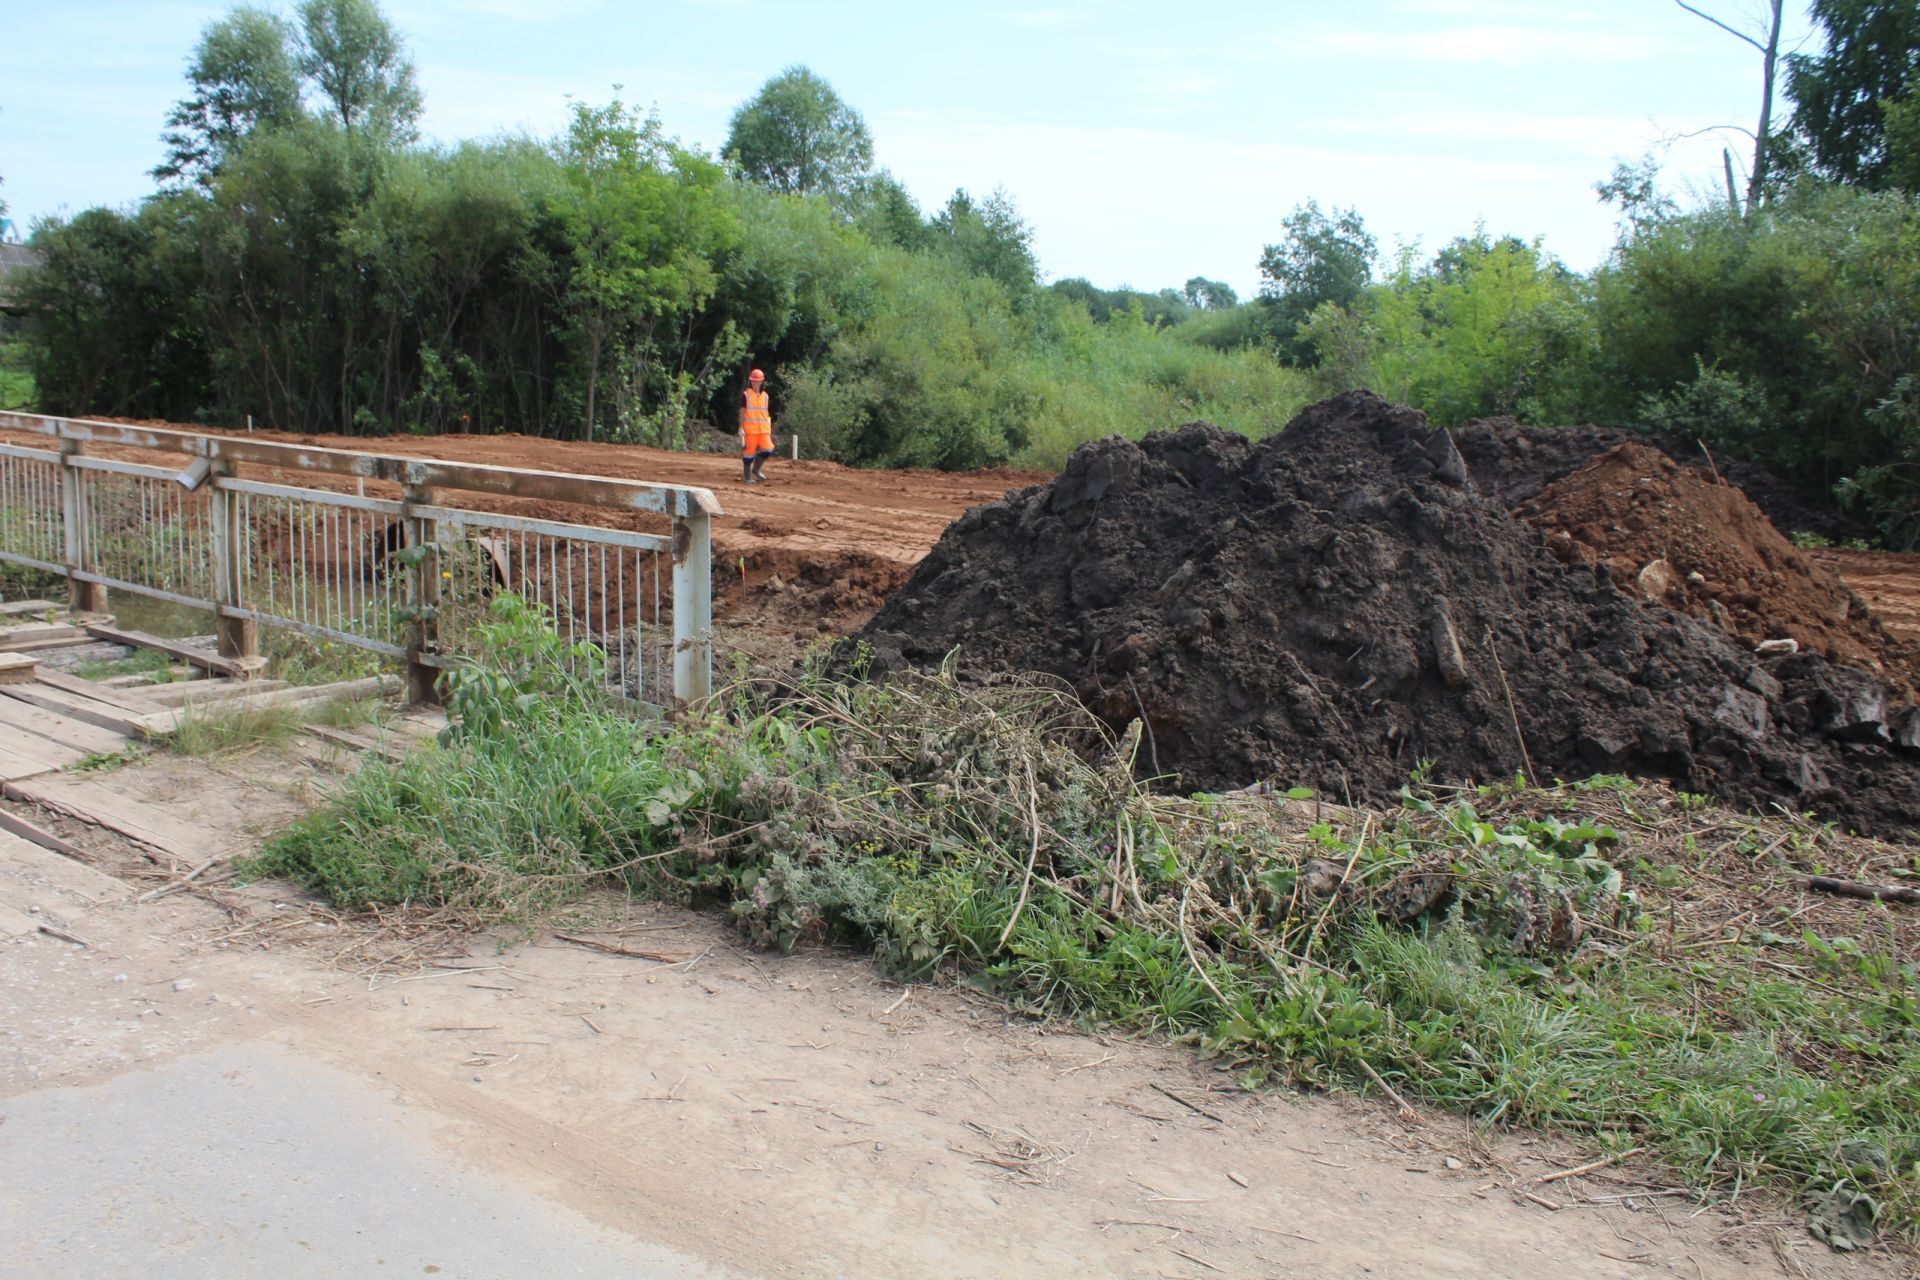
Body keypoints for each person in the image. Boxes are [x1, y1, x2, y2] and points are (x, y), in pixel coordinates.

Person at [740, 368, 774, 484]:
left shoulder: (765, 396)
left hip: (763, 429)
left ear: (761, 382)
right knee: (749, 453)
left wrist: (769, 428)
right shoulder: (746, 395)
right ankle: (747, 477)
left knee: (768, 449)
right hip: (750, 430)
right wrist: (740, 427)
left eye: (757, 381)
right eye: (753, 381)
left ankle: (756, 469)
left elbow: (766, 413)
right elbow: (742, 412)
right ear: (751, 382)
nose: (755, 383)